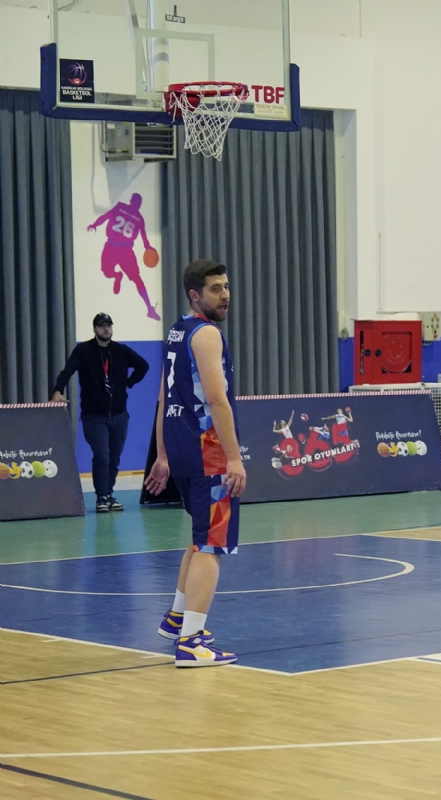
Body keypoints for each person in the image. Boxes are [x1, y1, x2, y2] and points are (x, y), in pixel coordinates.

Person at [144, 259, 243, 667]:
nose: (225, 295)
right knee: (211, 544)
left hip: (182, 449)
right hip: (208, 451)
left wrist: (163, 454)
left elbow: (164, 397)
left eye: (226, 286)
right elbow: (217, 400)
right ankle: (191, 642)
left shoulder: (176, 331)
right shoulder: (206, 335)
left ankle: (177, 618)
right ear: (194, 295)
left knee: (200, 535)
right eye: (215, 289)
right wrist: (234, 457)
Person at [52, 312, 149, 512]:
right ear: (95, 329)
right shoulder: (83, 351)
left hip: (119, 414)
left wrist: (128, 383)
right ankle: (101, 496)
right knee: (102, 455)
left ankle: (109, 494)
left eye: (108, 325)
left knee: (114, 457)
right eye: (102, 326)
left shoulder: (120, 350)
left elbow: (143, 366)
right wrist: (57, 390)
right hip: (94, 416)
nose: (106, 329)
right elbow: (67, 371)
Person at [87, 193, 160, 321]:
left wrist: (95, 224)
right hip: (115, 248)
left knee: (137, 278)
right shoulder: (135, 216)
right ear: (133, 202)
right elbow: (106, 216)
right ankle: (117, 276)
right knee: (107, 272)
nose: (137, 205)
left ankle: (149, 308)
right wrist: (95, 224)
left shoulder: (124, 209)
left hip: (123, 250)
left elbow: (105, 217)